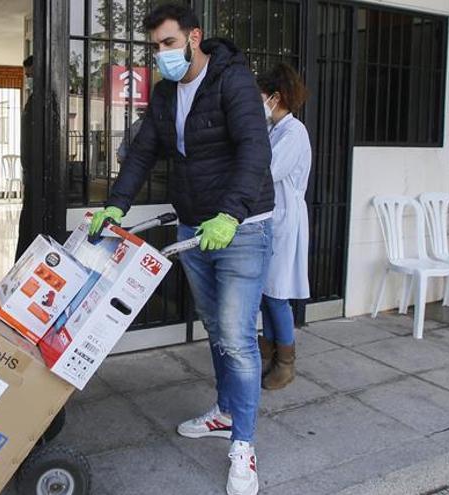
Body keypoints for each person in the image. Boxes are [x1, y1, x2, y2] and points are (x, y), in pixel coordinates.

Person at [88, 5, 273, 495]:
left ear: (195, 37)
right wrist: (115, 206)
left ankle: (244, 445)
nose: (161, 54)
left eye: (168, 43)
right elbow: (144, 149)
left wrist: (232, 213)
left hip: (243, 227)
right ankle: (225, 412)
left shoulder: (232, 81)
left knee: (236, 337)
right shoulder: (168, 93)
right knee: (215, 329)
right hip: (196, 227)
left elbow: (255, 149)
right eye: (155, 47)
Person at [256, 64, 311, 391]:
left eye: (260, 97)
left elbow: (268, 170)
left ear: (275, 97)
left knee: (276, 294)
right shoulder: (273, 129)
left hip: (284, 218)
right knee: (266, 291)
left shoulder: (293, 132)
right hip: (270, 217)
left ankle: (286, 363)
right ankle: (271, 350)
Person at [14, 55, 35, 262]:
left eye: (31, 74)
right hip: (30, 172)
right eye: (27, 76)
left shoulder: (44, 99)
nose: (29, 79)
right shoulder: (33, 99)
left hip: (39, 174)